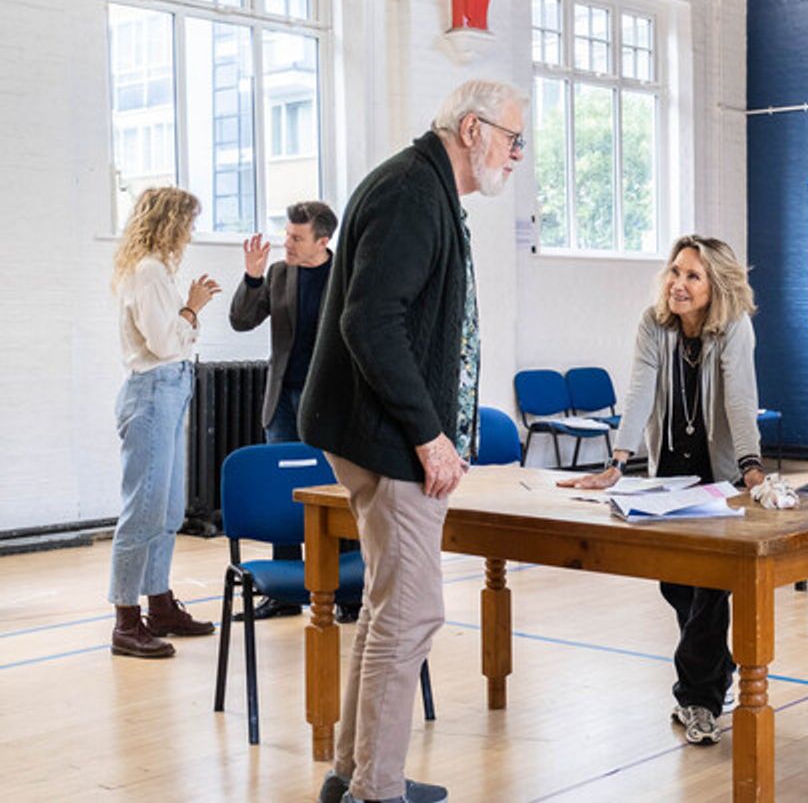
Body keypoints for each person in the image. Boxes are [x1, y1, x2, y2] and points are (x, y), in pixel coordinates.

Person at [301, 79, 526, 803]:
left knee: (387, 608)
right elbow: (370, 323)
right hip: (390, 436)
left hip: (381, 430)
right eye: (511, 138)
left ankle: (354, 775)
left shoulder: (424, 185)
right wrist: (431, 436)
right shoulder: (411, 192)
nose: (517, 154)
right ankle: (377, 791)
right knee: (411, 612)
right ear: (471, 129)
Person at [559, 234, 765, 745]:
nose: (678, 283)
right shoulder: (654, 324)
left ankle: (697, 699)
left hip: (719, 471)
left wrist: (752, 467)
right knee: (677, 584)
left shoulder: (733, 327)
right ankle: (716, 677)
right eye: (675, 271)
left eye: (692, 275)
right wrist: (618, 463)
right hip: (668, 467)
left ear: (714, 285)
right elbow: (639, 391)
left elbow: (740, 398)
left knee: (711, 586)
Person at [229, 200, 356, 622]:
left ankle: (347, 592)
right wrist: (252, 276)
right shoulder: (280, 273)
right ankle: (285, 594)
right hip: (282, 396)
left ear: (323, 240)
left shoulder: (347, 274)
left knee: (335, 491)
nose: (287, 242)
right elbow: (242, 321)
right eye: (286, 234)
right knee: (285, 490)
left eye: (296, 237)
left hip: (329, 400)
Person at [108, 186, 221, 658]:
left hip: (170, 389)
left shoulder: (155, 270)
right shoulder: (150, 271)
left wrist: (186, 315)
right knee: (143, 512)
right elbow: (165, 342)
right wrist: (193, 307)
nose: (190, 233)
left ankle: (160, 605)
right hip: (154, 391)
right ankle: (126, 621)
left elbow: (176, 340)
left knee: (170, 510)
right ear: (170, 222)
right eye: (188, 224)